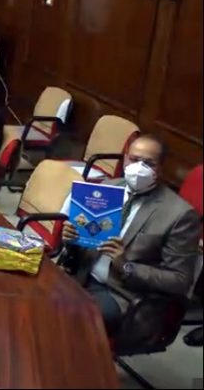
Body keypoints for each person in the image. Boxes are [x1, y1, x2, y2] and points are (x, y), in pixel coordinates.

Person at [60, 135, 199, 338]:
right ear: (125, 159)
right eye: (134, 160)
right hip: (82, 273)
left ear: (160, 168)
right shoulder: (107, 189)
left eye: (148, 163)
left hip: (122, 294)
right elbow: (84, 243)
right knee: (32, 297)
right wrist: (71, 239)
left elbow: (180, 280)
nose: (139, 168)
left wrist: (125, 265)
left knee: (66, 316)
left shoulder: (180, 214)